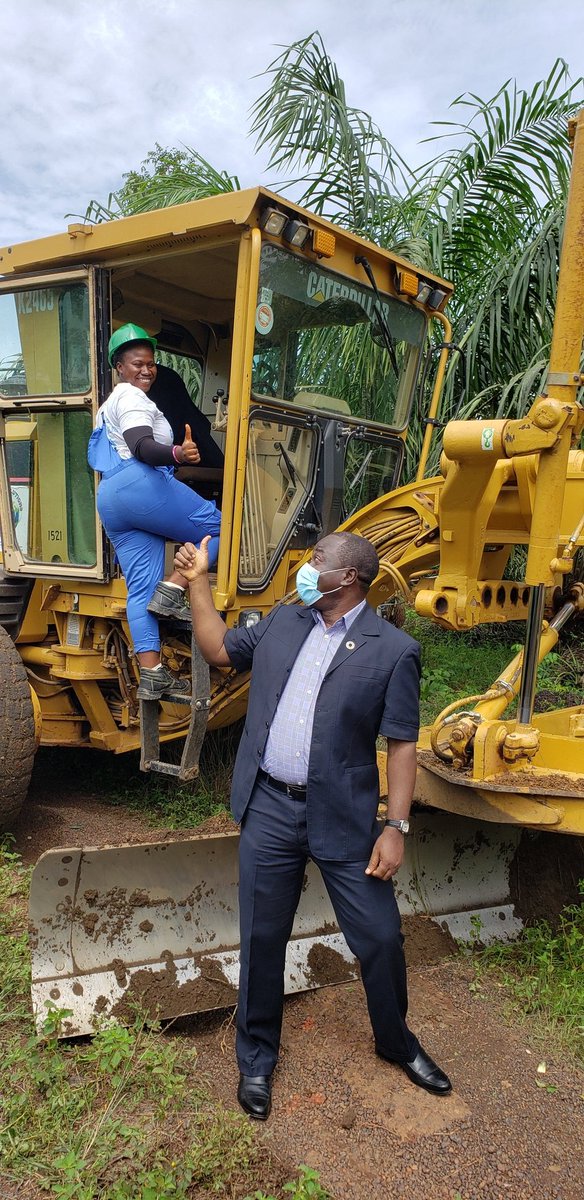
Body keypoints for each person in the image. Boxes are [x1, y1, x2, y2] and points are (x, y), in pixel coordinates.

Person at [174, 529, 452, 1121]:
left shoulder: (392, 649)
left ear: (347, 577)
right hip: (270, 807)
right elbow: (221, 650)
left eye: (317, 559)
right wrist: (198, 582)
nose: (307, 566)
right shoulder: (285, 619)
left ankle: (396, 1041)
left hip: (346, 816)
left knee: (379, 935)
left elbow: (401, 744)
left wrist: (395, 826)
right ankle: (256, 1058)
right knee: (262, 936)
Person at [88, 323, 222, 701]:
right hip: (139, 481)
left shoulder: (106, 406)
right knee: (222, 529)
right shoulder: (130, 398)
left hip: (111, 496)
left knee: (139, 589)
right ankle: (174, 588)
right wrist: (178, 453)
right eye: (137, 364)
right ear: (119, 367)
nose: (146, 370)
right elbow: (143, 447)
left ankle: (153, 674)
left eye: (150, 364)